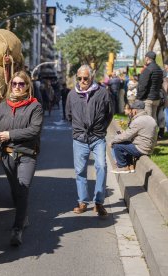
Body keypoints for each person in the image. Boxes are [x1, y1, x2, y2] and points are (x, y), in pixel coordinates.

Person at [0, 71, 43, 246]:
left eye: (21, 84)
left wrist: (10, 134)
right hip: (7, 155)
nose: (16, 87)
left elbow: (34, 130)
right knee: (15, 191)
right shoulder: (3, 106)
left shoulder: (34, 106)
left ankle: (17, 229)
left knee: (22, 188)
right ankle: (23, 216)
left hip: (27, 155)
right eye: (14, 84)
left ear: (27, 86)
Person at [66, 65, 113, 218]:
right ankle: (82, 202)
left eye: (85, 78)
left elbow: (109, 113)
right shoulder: (72, 94)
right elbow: (68, 115)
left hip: (97, 137)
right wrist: (78, 128)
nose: (82, 81)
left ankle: (99, 203)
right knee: (80, 172)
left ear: (91, 77)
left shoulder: (102, 93)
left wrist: (101, 129)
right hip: (79, 138)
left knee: (101, 166)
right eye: (79, 78)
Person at [111, 100, 157, 173]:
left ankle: (123, 166)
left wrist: (113, 140)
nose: (131, 112)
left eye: (132, 110)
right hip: (149, 147)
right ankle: (130, 166)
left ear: (135, 111)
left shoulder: (138, 121)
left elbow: (126, 136)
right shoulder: (151, 119)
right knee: (126, 144)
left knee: (117, 145)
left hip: (141, 148)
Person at [136, 51, 163, 123]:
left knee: (148, 121)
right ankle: (154, 134)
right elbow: (161, 83)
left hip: (148, 99)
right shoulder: (159, 69)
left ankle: (149, 134)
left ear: (147, 58)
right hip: (156, 98)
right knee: (153, 119)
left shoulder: (147, 69)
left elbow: (143, 85)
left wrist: (139, 98)